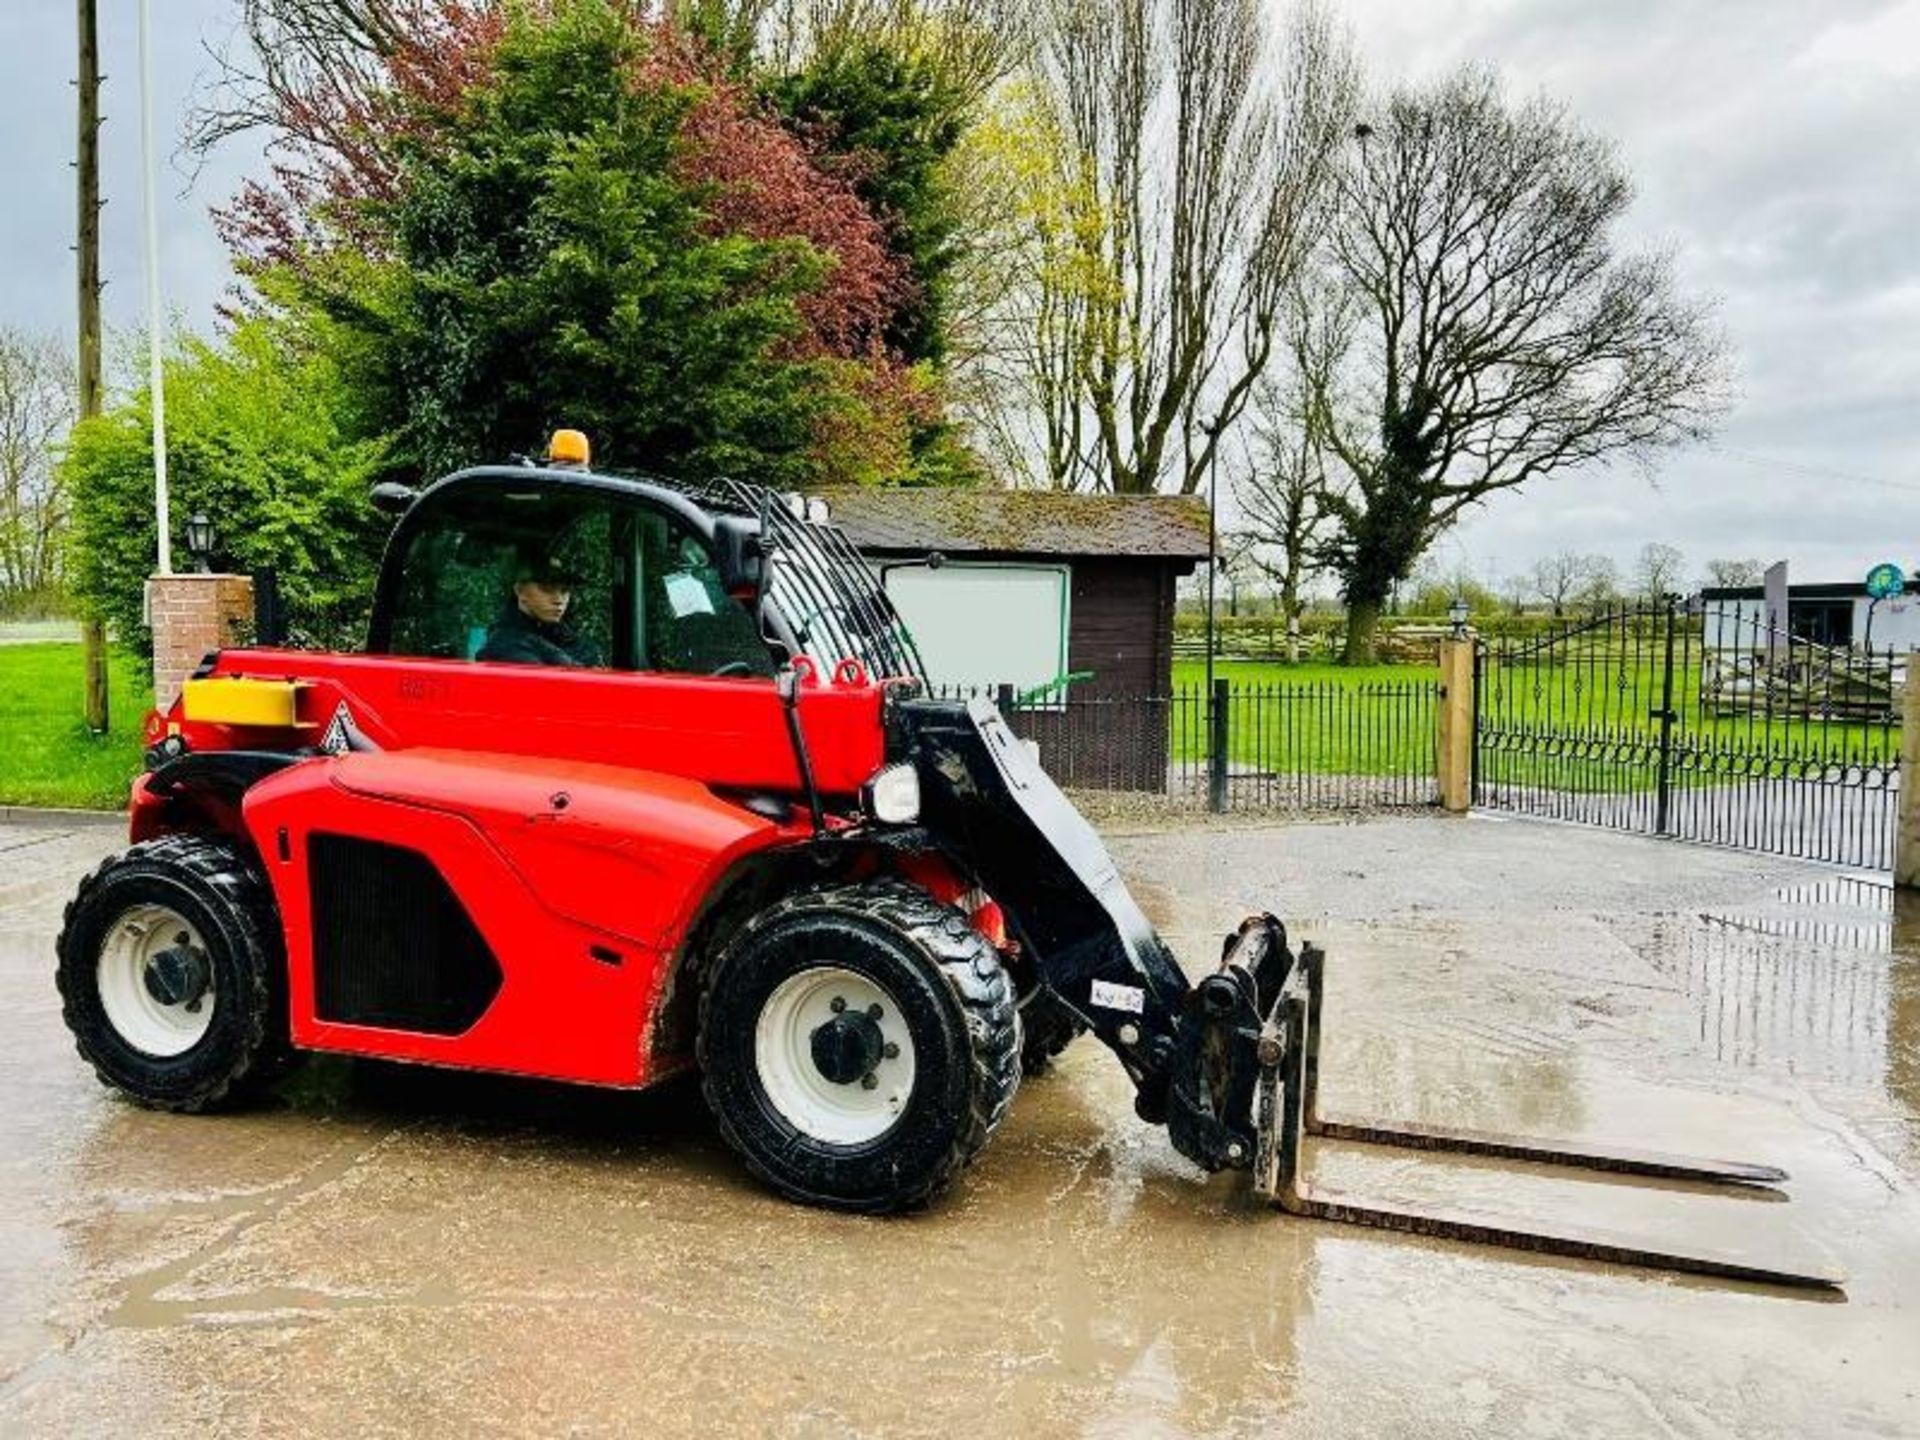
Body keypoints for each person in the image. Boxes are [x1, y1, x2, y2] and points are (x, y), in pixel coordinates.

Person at [477, 551, 603, 667]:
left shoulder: (567, 636)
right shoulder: (503, 645)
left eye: (565, 591)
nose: (559, 600)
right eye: (547, 589)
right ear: (520, 591)